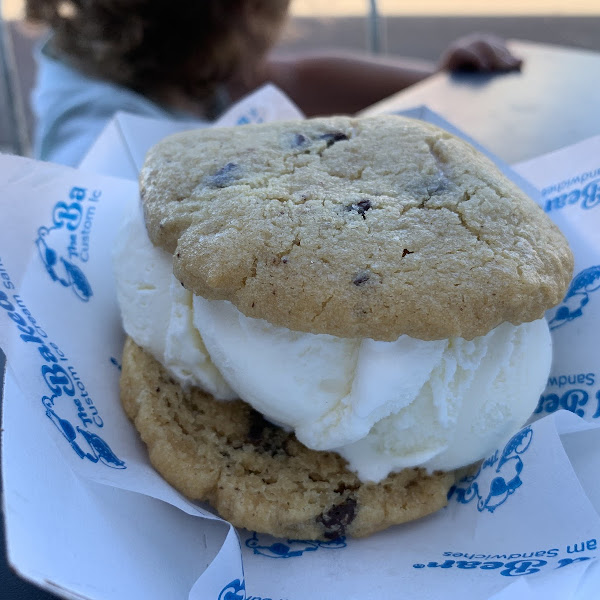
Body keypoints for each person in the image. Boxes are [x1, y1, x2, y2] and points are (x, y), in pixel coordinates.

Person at [25, 0, 522, 167]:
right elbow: (87, 194)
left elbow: (292, 77)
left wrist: (438, 83)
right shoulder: (96, 136)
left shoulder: (179, 69)